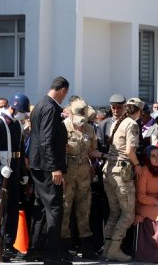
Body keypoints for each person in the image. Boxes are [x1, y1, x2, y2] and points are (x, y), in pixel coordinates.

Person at [28, 77, 70, 265]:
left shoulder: (39, 105)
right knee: (54, 209)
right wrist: (55, 168)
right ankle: (52, 256)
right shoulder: (51, 108)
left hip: (38, 165)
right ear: (62, 90)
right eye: (65, 93)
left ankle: (35, 249)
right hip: (47, 167)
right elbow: (46, 140)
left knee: (41, 208)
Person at [0, 93, 30, 262]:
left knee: (11, 211)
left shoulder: (16, 124)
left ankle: (8, 245)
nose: (23, 114)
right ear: (13, 108)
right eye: (21, 111)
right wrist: (0, 167)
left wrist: (23, 174)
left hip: (13, 173)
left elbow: (20, 151)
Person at [60, 99, 102, 260]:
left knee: (84, 209)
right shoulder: (63, 127)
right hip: (67, 172)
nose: (81, 124)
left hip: (84, 172)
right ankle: (64, 247)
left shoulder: (90, 129)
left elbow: (92, 151)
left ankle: (87, 247)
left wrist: (106, 156)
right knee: (65, 208)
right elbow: (58, 152)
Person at [102, 95, 143, 261]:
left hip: (109, 170)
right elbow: (129, 151)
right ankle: (114, 249)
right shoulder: (131, 124)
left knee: (114, 212)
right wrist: (138, 166)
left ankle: (107, 248)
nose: (116, 109)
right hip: (121, 172)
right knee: (127, 214)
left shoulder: (116, 122)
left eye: (119, 107)